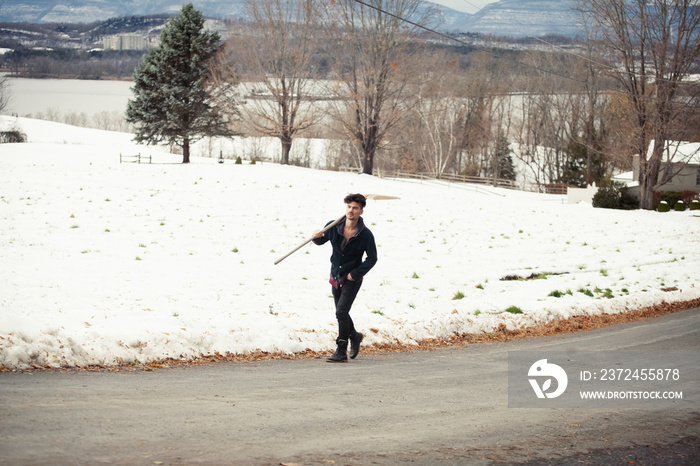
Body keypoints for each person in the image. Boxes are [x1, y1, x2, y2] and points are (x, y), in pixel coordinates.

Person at [312, 193, 377, 363]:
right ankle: (355, 336)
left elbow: (372, 258)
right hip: (336, 275)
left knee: (341, 311)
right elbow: (320, 241)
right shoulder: (333, 226)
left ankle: (341, 350)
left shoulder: (366, 235)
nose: (351, 211)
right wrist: (316, 237)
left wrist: (355, 274)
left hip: (352, 278)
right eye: (349, 207)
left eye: (355, 208)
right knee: (342, 312)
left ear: (361, 212)